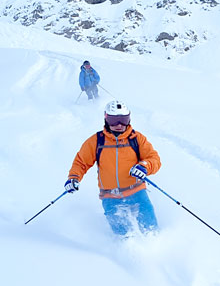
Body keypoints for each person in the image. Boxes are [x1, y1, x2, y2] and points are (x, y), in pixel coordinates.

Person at [64, 100, 161, 235]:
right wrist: (74, 178)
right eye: (114, 120)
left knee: (150, 231)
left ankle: (157, 251)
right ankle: (127, 253)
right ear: (106, 118)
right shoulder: (97, 141)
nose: (119, 125)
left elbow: (154, 159)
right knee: (123, 235)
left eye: (123, 120)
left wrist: (144, 167)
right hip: (110, 196)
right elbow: (81, 162)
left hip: (137, 192)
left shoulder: (136, 139)